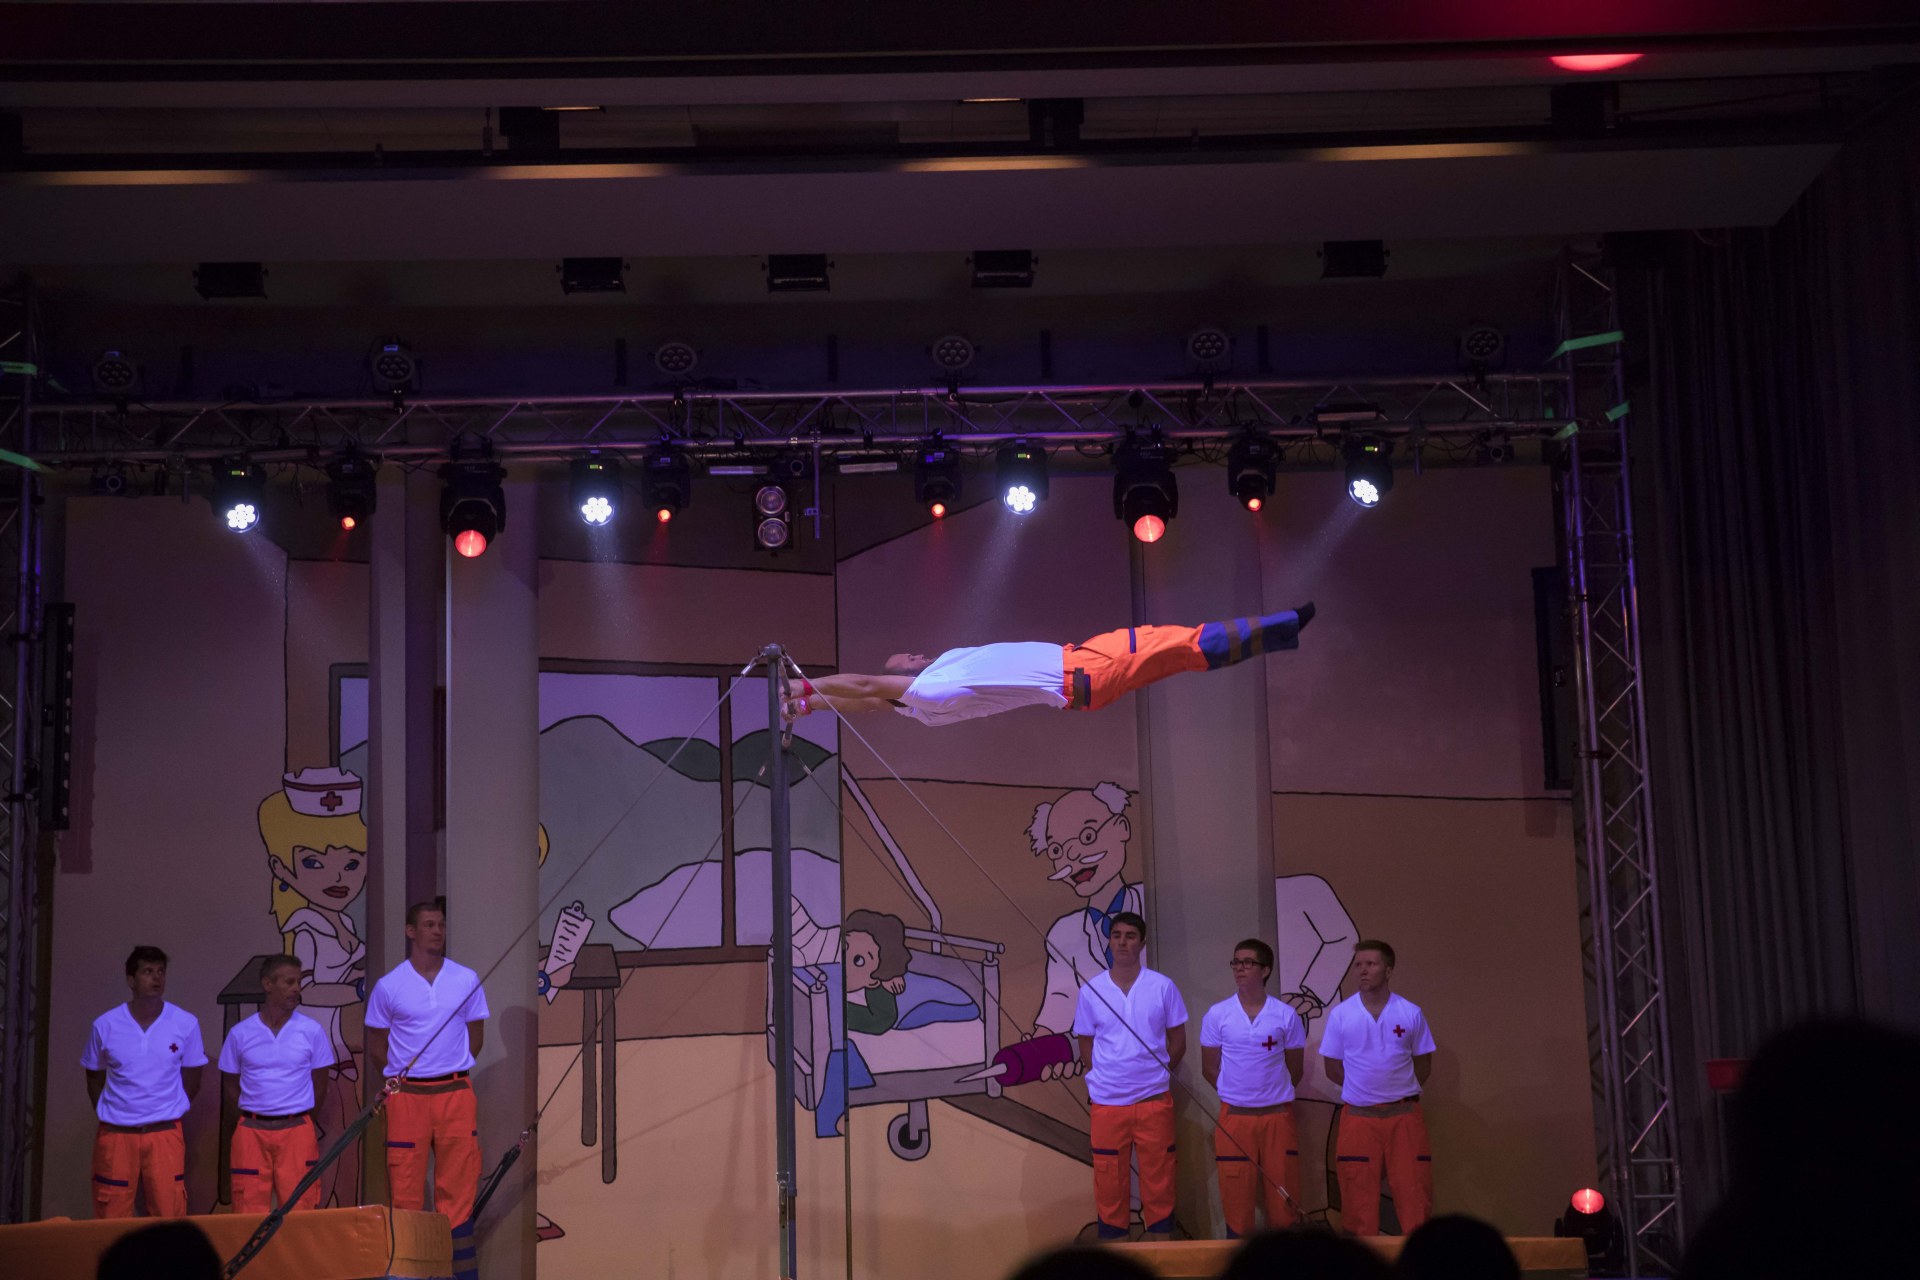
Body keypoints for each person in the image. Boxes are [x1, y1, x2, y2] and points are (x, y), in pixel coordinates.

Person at [783, 604, 1314, 726]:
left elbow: (869, 701)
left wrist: (811, 706)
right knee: (1183, 644)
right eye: (905, 659)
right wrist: (802, 685)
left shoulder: (923, 701)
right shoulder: (931, 690)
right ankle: (1283, 625)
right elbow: (867, 686)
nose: (914, 655)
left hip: (1082, 669)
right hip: (1083, 671)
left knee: (1179, 650)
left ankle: (1281, 630)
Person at [258, 767, 369, 1208]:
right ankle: (314, 1210)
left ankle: (332, 1210)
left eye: (352, 863)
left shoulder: (341, 922)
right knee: (326, 1133)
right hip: (317, 1045)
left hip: (334, 1045)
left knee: (343, 1132)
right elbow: (311, 989)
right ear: (282, 867)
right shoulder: (305, 926)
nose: (338, 877)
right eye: (314, 863)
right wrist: (357, 989)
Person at [364, 901, 489, 1251]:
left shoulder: (465, 978)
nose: (437, 931)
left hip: (455, 1092)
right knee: (404, 1184)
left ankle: (456, 1267)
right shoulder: (390, 985)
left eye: (441, 925)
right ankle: (411, 1265)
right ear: (411, 931)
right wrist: (402, 1081)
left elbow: (475, 1037)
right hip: (408, 1098)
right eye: (429, 925)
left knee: (459, 1183)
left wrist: (449, 1067)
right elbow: (377, 1045)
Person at [1073, 911, 1187, 1241]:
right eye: (1117, 935)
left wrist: (1157, 1074)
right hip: (1108, 1102)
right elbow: (1085, 1041)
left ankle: (1161, 1252)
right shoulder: (1092, 989)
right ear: (1109, 941)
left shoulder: (1162, 986)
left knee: (1160, 1177)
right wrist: (1101, 1076)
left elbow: (1178, 1041)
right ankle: (1115, 1253)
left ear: (1142, 943)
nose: (1123, 942)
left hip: (1153, 1100)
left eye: (1130, 936)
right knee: (1109, 1179)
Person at [1027, 782, 1143, 1079]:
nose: (1073, 857)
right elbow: (1061, 1002)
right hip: (1104, 1074)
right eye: (1057, 850)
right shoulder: (1062, 933)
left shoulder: (1155, 907)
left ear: (1122, 828)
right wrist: (1040, 1049)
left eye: (1088, 836)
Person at [1320, 939, 1437, 1236]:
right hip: (1358, 1118)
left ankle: (1418, 1258)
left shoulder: (1410, 1012)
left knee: (1414, 1194)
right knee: (1357, 1201)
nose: (1362, 970)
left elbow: (1423, 1064)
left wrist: (1397, 1090)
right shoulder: (1342, 1014)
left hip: (1404, 1116)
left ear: (1388, 970)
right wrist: (1365, 1089)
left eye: (1370, 964)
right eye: (1358, 965)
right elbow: (1332, 1067)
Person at [82, 946, 207, 1218]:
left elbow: (193, 1078)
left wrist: (169, 1108)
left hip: (164, 1132)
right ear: (131, 980)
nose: (156, 978)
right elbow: (94, 1077)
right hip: (116, 1134)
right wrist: (114, 1113)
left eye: (161, 971)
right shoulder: (106, 1025)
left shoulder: (185, 1023)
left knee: (168, 1211)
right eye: (148, 971)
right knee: (111, 1212)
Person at [1201, 937, 1307, 1236]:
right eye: (1236, 962)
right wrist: (1238, 1093)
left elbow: (1295, 1069)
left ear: (1265, 969)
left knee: (1283, 1193)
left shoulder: (1285, 1015)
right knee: (1236, 1196)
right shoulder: (1218, 1014)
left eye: (1248, 962)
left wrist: (1269, 1093)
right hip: (1235, 1117)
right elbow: (1209, 1068)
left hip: (1277, 1117)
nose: (1239, 968)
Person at [218, 954, 336, 1214]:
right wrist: (250, 1117)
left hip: (297, 1129)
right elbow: (229, 1084)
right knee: (248, 1208)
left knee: (300, 1207)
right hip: (251, 1131)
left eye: (299, 982)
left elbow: (320, 1083)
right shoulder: (240, 1033)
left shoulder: (311, 1031)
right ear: (268, 984)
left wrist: (301, 1118)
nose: (296, 989)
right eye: (289, 982)